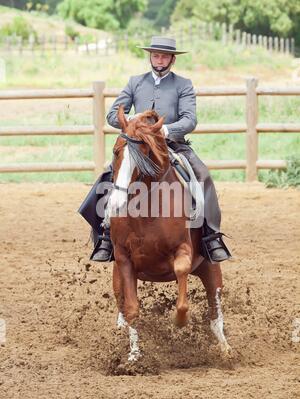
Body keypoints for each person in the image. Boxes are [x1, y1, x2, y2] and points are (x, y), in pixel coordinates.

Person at [78, 36, 231, 263]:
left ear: (172, 59)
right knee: (109, 176)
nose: (159, 60)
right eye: (156, 55)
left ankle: (211, 236)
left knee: (202, 174)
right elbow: (112, 115)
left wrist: (164, 131)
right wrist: (134, 124)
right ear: (150, 56)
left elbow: (190, 120)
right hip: (137, 146)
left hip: (172, 145)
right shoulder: (135, 82)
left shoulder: (184, 84)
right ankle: (105, 236)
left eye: (164, 56)